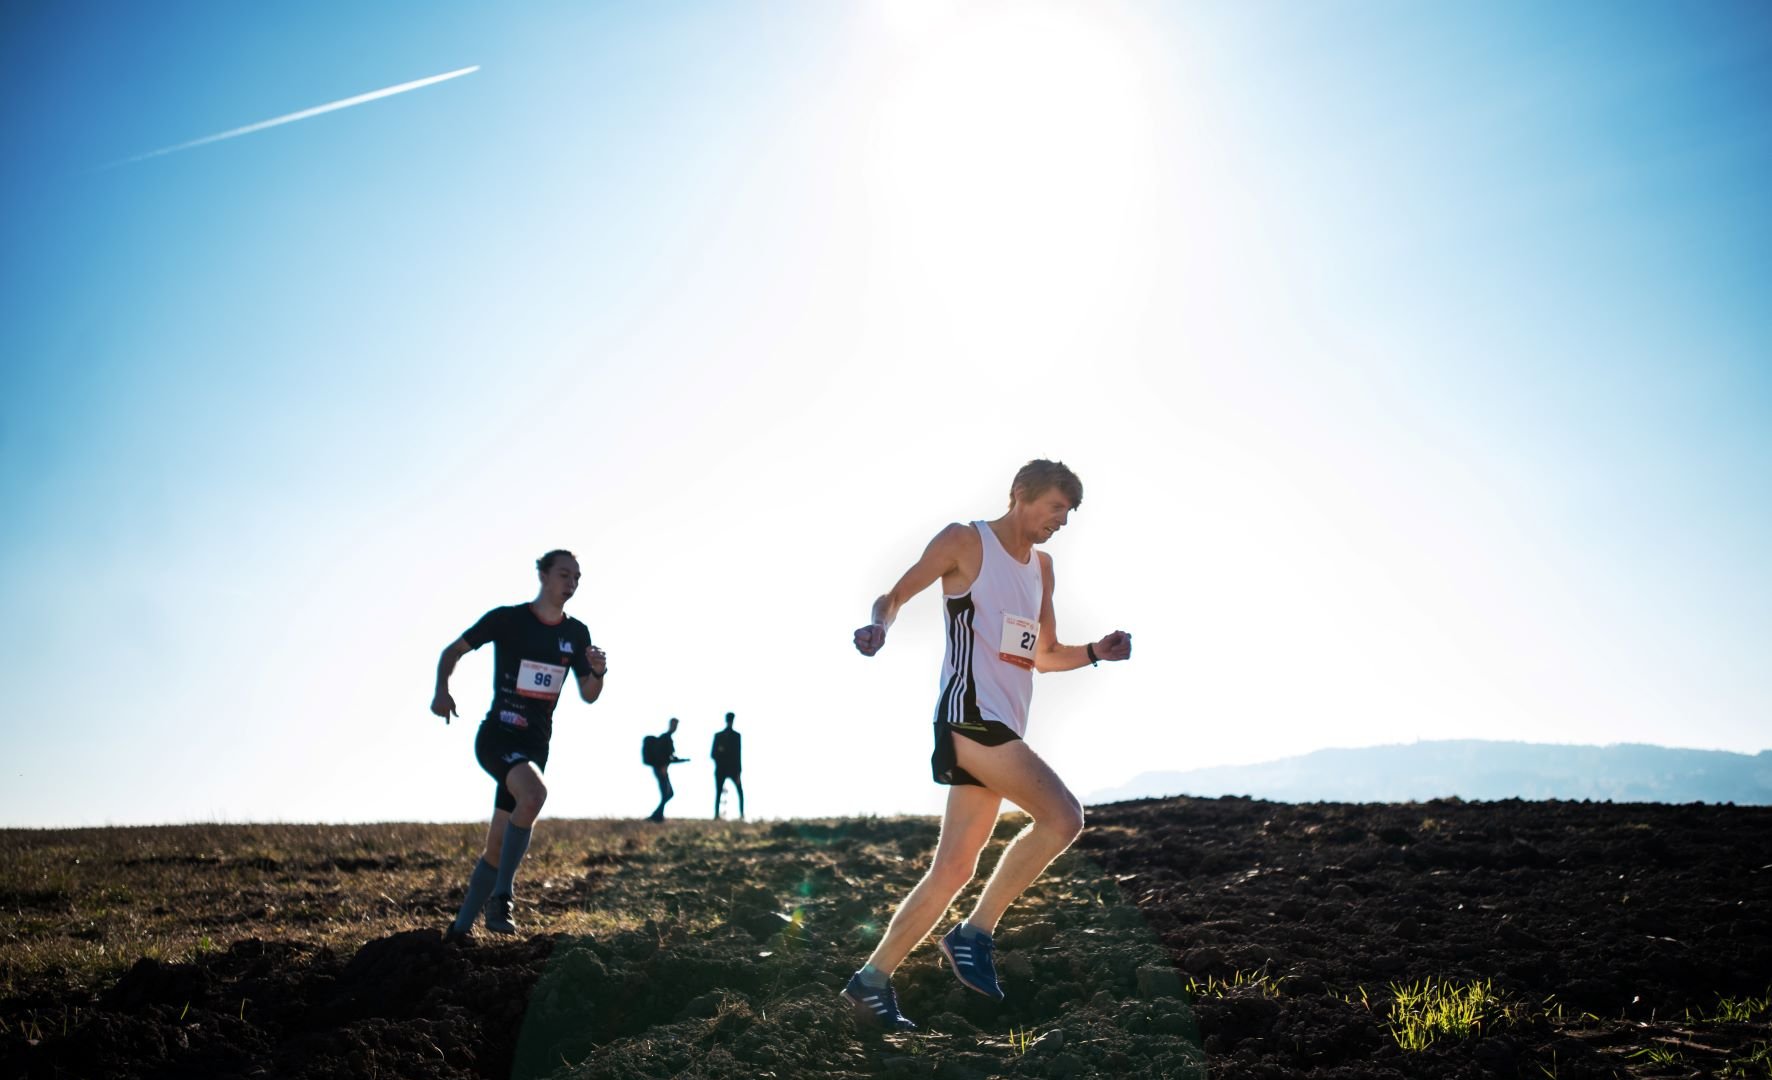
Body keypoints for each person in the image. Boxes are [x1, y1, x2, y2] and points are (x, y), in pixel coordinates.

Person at [842, 460, 1132, 1030]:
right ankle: (973, 933)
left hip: (1003, 724)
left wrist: (1095, 651)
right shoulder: (965, 542)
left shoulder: (1042, 569)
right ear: (1020, 495)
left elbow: (1044, 655)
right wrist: (880, 626)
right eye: (1054, 508)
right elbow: (895, 595)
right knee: (1064, 817)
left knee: (952, 869)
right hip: (970, 717)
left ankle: (870, 982)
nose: (1060, 522)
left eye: (1067, 515)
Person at [431, 549, 606, 939]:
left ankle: (458, 933)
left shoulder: (576, 634)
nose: (572, 583)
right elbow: (452, 652)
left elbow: (589, 694)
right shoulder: (507, 619)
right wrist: (442, 691)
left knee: (497, 846)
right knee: (533, 795)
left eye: (577, 578)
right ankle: (503, 897)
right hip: (497, 736)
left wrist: (598, 670)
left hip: (535, 747)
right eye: (564, 574)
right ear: (543, 576)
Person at [645, 717, 690, 822]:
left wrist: (683, 760)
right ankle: (656, 816)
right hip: (661, 770)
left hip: (663, 769)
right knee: (668, 793)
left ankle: (658, 816)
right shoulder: (665, 738)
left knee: (668, 794)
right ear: (670, 725)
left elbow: (671, 757)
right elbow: (661, 756)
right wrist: (662, 767)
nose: (675, 727)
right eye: (674, 725)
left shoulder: (667, 738)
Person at [711, 711, 744, 819]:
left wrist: (738, 772)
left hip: (733, 769)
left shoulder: (736, 736)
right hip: (721, 769)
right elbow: (713, 754)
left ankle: (741, 814)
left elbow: (738, 754)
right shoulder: (719, 736)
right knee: (718, 792)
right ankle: (716, 814)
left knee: (739, 791)